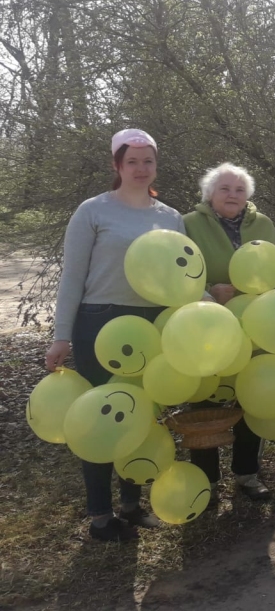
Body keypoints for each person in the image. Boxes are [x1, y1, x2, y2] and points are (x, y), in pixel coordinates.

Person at [44, 129, 184, 542]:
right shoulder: (93, 211)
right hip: (99, 323)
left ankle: (131, 505)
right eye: (132, 162)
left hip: (150, 328)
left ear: (156, 165)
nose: (141, 169)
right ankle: (101, 515)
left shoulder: (170, 217)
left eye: (148, 161)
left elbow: (181, 278)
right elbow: (73, 278)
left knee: (138, 417)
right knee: (101, 418)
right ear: (117, 166)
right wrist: (61, 336)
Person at [183, 163, 275, 501]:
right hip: (205, 326)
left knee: (249, 395)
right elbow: (178, 275)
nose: (232, 195)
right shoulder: (189, 224)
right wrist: (211, 290)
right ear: (209, 193)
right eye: (225, 189)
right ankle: (206, 482)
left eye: (239, 190)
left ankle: (247, 474)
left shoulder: (264, 225)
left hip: (255, 326)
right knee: (205, 400)